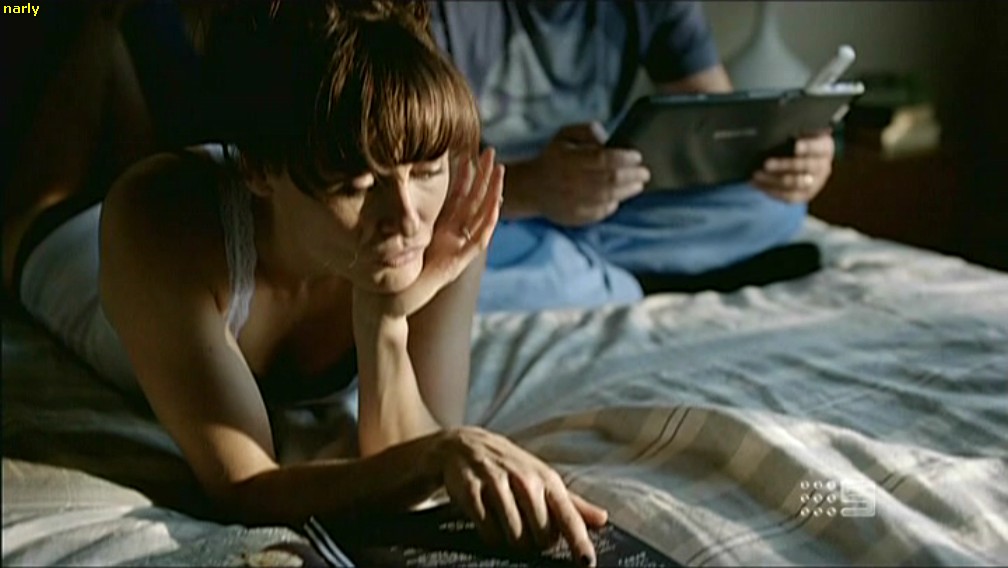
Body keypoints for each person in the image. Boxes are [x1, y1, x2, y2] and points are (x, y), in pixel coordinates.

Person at [2, 2, 609, 563]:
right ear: (259, 170)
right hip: (72, 244)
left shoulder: (439, 218)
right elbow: (246, 486)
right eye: (355, 186)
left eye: (427, 169)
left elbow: (410, 447)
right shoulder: (156, 225)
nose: (406, 218)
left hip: (222, 210)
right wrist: (436, 452)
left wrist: (384, 319)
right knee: (46, 169)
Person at [428, 0, 837, 312]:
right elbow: (412, 181)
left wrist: (793, 159)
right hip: (488, 209)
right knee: (427, 260)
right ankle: (625, 279)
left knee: (775, 205)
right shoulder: (434, 11)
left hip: (606, 198)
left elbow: (722, 130)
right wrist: (534, 188)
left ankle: (568, 270)